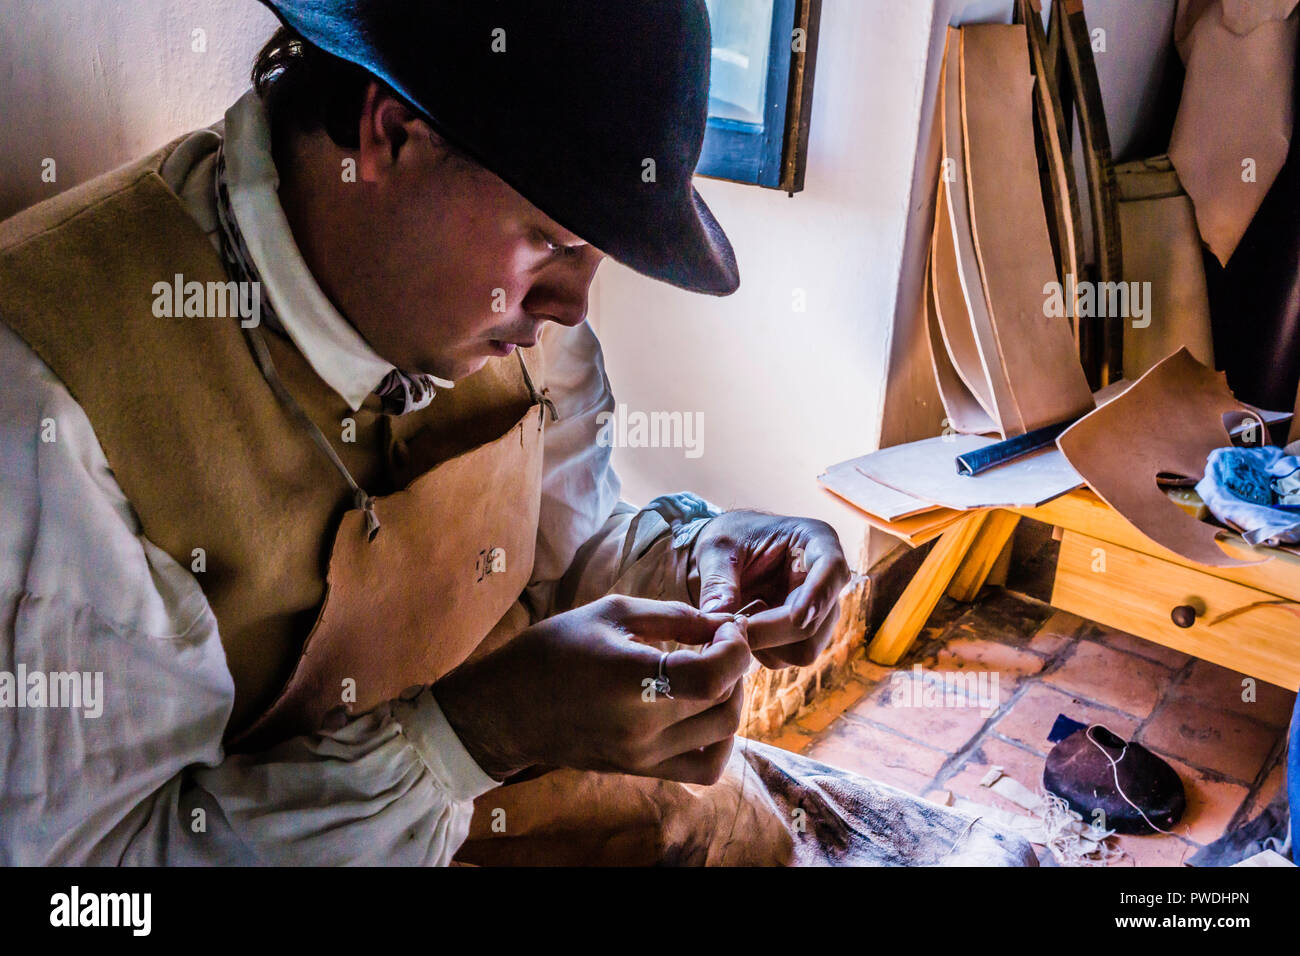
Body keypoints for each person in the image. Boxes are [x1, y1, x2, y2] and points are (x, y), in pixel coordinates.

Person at [0, 0, 1033, 866]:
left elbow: (561, 552)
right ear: (390, 132)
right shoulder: (55, 399)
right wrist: (471, 734)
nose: (575, 305)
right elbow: (100, 883)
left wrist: (696, 557)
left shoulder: (510, 310)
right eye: (553, 239)